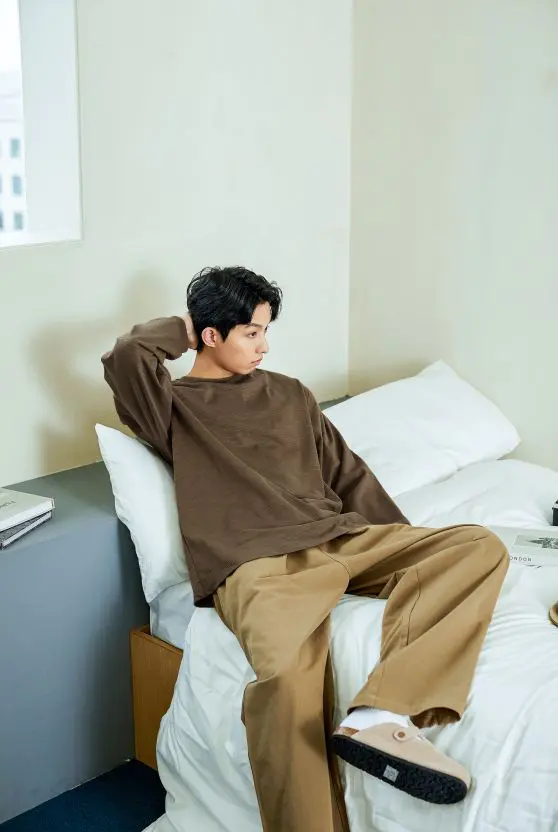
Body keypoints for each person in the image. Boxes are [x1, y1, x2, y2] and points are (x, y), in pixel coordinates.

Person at [102, 265, 509, 832]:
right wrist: (187, 326)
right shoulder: (172, 406)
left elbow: (349, 476)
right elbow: (126, 357)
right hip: (258, 567)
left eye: (266, 331)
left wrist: (402, 545)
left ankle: (380, 712)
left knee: (476, 546)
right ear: (210, 335)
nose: (264, 346)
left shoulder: (291, 393)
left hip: (341, 538)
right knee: (289, 691)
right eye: (251, 332)